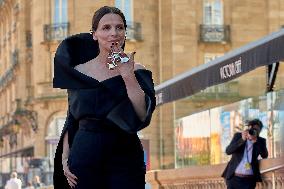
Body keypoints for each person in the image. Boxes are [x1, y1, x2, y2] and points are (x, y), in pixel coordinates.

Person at [53, 6, 156, 189]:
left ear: (125, 33)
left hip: (125, 154)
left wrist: (128, 75)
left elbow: (142, 113)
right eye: (106, 28)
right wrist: (64, 157)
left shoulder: (137, 69)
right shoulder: (78, 71)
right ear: (95, 34)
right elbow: (72, 118)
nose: (114, 33)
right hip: (84, 153)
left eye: (119, 27)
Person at [221, 119, 268, 189]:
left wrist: (256, 141)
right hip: (234, 179)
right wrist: (242, 140)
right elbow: (228, 151)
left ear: (259, 131)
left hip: (249, 181)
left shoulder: (260, 141)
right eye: (253, 129)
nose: (255, 131)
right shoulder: (238, 136)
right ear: (249, 128)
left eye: (257, 130)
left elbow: (265, 155)